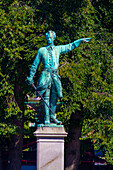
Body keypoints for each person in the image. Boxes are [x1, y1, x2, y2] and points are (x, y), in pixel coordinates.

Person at [26, 30, 91, 125]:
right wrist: (31, 77)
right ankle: (47, 118)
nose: (49, 39)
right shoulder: (41, 50)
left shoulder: (58, 49)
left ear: (54, 38)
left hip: (55, 76)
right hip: (46, 75)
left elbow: (70, 46)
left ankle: (52, 116)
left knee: (54, 97)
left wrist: (80, 40)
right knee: (46, 96)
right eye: (47, 37)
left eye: (51, 37)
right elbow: (35, 65)